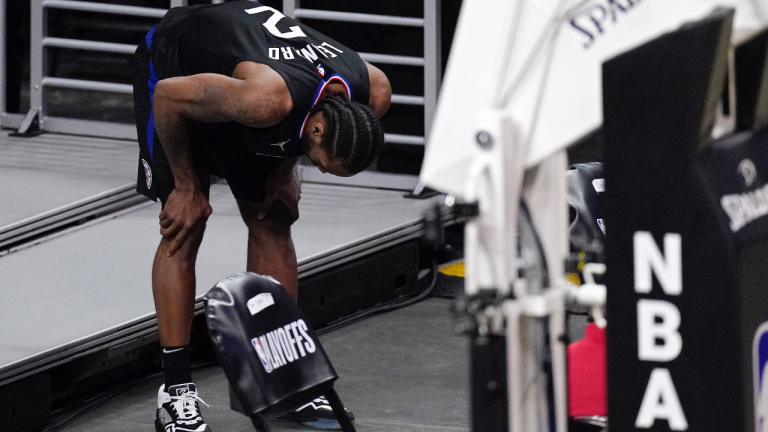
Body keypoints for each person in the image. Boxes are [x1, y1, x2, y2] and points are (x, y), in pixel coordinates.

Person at [132, 2, 391, 431]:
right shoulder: (265, 101)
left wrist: (285, 172)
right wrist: (187, 186)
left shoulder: (373, 93)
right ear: (318, 132)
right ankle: (175, 393)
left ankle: (283, 384)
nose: (322, 171)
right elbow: (169, 97)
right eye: (324, 165)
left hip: (240, 93)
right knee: (186, 223)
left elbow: (303, 122)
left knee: (273, 218)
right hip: (176, 78)